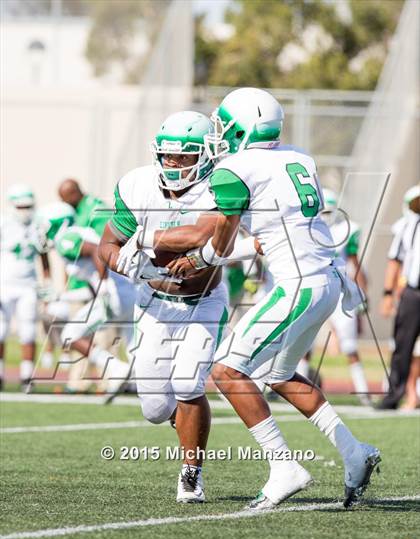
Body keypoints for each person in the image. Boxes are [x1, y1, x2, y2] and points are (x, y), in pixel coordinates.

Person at [168, 87, 381, 509]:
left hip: (297, 284)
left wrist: (198, 258)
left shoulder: (235, 168)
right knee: (277, 374)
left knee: (226, 370)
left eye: (224, 126)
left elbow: (222, 242)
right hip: (326, 279)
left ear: (242, 128)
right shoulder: (299, 157)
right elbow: (266, 239)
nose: (218, 135)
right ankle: (355, 452)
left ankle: (284, 467)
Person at [99, 111, 258, 503]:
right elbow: (107, 245)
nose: (173, 163)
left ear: (204, 156)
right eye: (168, 155)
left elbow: (203, 232)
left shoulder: (221, 184)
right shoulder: (137, 184)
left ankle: (191, 472)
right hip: (153, 303)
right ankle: (190, 425)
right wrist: (128, 265)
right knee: (155, 409)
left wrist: (143, 238)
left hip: (203, 302)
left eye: (184, 156)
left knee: (188, 384)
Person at [36, 202, 135, 393]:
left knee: (70, 335)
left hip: (116, 292)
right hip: (127, 291)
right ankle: (140, 382)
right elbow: (91, 289)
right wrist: (60, 296)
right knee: (134, 348)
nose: (41, 231)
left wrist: (104, 285)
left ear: (58, 223)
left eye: (44, 225)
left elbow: (96, 250)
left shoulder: (65, 238)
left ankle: (116, 368)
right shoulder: (74, 234)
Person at [297, 188, 371, 406]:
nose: (326, 217)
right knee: (305, 344)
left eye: (329, 212)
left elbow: (355, 264)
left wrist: (362, 295)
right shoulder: (305, 230)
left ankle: (363, 392)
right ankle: (300, 392)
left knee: (349, 346)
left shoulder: (346, 230)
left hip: (341, 291)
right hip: (316, 288)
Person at [57, 178, 111, 391]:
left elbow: (104, 246)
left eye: (65, 198)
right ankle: (79, 380)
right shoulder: (72, 213)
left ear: (74, 193)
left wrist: (104, 283)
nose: (64, 203)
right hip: (79, 284)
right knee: (76, 333)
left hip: (97, 281)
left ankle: (108, 380)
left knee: (103, 333)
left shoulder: (96, 209)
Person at [0, 184, 51, 391]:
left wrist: (47, 282)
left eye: (28, 206)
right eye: (21, 207)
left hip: (28, 285)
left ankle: (26, 376)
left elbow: (44, 256)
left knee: (28, 329)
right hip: (4, 285)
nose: (25, 211)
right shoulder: (3, 224)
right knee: (1, 330)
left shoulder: (39, 225)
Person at [378, 184, 420, 410]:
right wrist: (388, 294)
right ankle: (394, 395)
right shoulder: (407, 226)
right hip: (413, 294)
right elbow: (395, 260)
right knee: (403, 347)